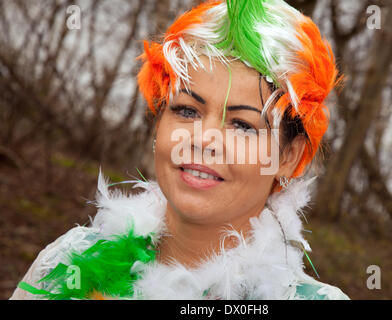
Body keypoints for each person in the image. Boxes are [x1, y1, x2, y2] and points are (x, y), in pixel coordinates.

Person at [10, 0, 349, 300]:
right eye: (187, 110)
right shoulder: (67, 264)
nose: (204, 139)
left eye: (242, 125)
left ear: (288, 157)